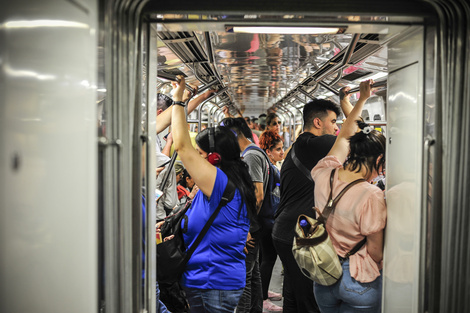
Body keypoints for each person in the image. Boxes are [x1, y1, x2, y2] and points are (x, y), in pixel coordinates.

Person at [169, 75, 257, 313]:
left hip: (213, 283)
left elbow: (182, 147)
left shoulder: (219, 182)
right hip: (212, 281)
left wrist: (178, 102)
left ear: (214, 158)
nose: (195, 157)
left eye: (200, 153)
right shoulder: (227, 181)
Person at [312, 80, 386, 312]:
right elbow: (375, 251)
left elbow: (344, 137)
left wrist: (360, 99)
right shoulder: (372, 195)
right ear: (377, 160)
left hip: (323, 274)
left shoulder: (323, 172)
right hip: (356, 278)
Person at [272, 97, 340, 313]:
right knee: (309, 299)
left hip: (286, 229)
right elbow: (350, 137)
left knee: (293, 293)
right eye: (333, 121)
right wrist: (359, 101)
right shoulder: (310, 144)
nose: (336, 127)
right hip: (295, 231)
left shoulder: (299, 145)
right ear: (318, 123)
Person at [220, 117, 268, 313]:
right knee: (253, 274)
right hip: (255, 224)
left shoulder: (250, 157)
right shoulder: (253, 153)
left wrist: (245, 228)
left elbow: (258, 194)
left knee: (243, 281)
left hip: (251, 226)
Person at [258, 130, 284, 312]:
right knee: (268, 258)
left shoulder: (267, 166)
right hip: (267, 219)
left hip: (265, 217)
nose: (282, 152)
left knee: (264, 258)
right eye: (278, 149)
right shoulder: (271, 169)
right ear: (269, 151)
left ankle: (263, 290)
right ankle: (263, 299)